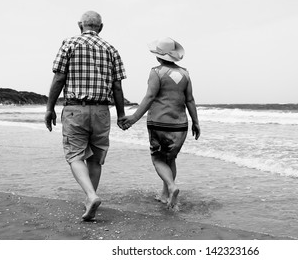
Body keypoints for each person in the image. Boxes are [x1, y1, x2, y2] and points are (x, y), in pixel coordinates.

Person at [44, 11, 127, 221]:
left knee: (75, 155)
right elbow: (117, 86)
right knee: (96, 159)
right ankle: (90, 197)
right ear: (101, 27)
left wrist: (49, 108)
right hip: (101, 111)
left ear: (80, 24)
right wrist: (121, 114)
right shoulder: (111, 49)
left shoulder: (69, 43)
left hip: (76, 109)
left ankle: (91, 195)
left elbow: (59, 77)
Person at [120, 37, 200, 210]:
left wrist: (133, 118)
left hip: (159, 122)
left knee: (157, 158)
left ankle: (171, 187)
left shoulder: (156, 72)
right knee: (170, 158)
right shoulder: (185, 73)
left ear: (158, 56)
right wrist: (196, 122)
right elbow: (190, 100)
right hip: (180, 124)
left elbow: (150, 97)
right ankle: (165, 194)